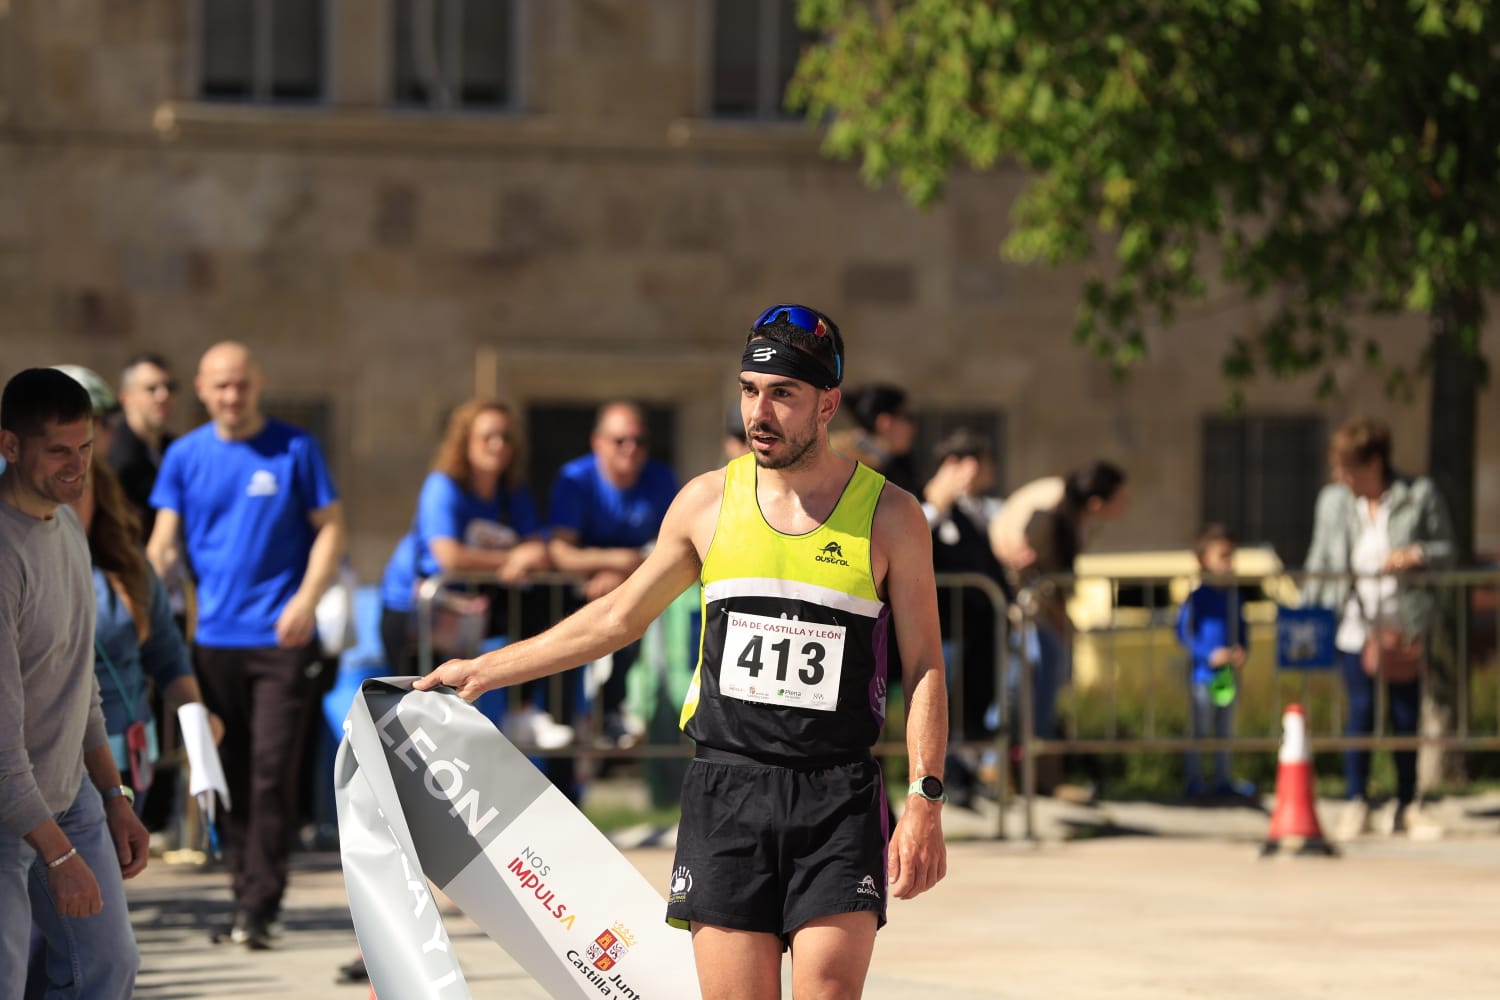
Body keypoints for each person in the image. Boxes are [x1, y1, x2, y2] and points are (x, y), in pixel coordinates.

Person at [416, 302, 948, 999]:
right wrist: (485, 669)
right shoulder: (704, 504)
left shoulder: (892, 516)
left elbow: (927, 664)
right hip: (729, 789)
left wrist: (925, 799)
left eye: (783, 394)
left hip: (838, 793)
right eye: (750, 391)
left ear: (827, 405)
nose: (760, 411)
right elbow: (615, 618)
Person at [146, 342, 346, 949]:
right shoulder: (184, 455)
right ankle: (242, 894)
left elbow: (332, 527)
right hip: (211, 644)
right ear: (203, 392)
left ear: (257, 385)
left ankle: (261, 903)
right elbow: (163, 543)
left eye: (241, 385)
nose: (232, 396)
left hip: (280, 641)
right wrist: (145, 598)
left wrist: (306, 599)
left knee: (271, 772)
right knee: (226, 771)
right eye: (220, 386)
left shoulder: (294, 448)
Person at [1, 368, 148, 999]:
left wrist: (114, 795)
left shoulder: (66, 526)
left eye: (85, 448)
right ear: (9, 446)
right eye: (58, 450)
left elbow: (78, 678)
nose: (76, 467)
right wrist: (61, 859)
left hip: (71, 797)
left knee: (109, 968)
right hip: (8, 812)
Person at [1302, 416, 1453, 841]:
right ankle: (1356, 802)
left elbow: (1447, 549)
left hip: (1404, 621)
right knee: (1361, 712)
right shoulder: (1333, 502)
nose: (1339, 476)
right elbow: (1320, 559)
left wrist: (1416, 553)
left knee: (1405, 715)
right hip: (1355, 622)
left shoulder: (1417, 495)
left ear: (1374, 463)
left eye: (1347, 466)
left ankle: (1407, 804)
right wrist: (1304, 613)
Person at [378, 399, 559, 741]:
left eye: (506, 437)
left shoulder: (512, 493)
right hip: (416, 609)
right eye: (488, 436)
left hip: (469, 609)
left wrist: (528, 554)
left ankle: (524, 712)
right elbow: (448, 556)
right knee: (415, 721)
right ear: (465, 442)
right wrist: (510, 560)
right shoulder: (443, 486)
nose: (498, 445)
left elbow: (538, 549)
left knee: (542, 602)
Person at [546, 401, 679, 745]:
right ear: (598, 442)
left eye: (639, 441)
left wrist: (619, 576)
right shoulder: (575, 478)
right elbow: (560, 552)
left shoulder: (662, 479)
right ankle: (560, 719)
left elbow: (678, 550)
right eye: (620, 441)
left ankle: (613, 712)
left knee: (630, 636)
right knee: (561, 654)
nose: (631, 449)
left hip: (633, 597)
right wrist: (620, 561)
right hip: (575, 597)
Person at [1013, 460, 1130, 798]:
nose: (1126, 506)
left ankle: (1042, 778)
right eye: (1121, 498)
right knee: (1029, 703)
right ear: (1096, 501)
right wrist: (1061, 621)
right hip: (1033, 622)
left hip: (1048, 621)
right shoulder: (1050, 521)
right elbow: (1039, 580)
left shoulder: (1076, 523)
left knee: (1046, 702)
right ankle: (1026, 776)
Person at [921, 428, 1010, 807]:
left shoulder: (972, 511)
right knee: (943, 707)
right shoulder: (921, 503)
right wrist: (937, 505)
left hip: (977, 632)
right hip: (943, 629)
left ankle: (967, 775)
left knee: (972, 705)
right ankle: (947, 780)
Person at [1176, 524, 1255, 799]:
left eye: (1231, 555)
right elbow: (1183, 633)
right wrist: (1207, 655)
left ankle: (1223, 778)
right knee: (1200, 729)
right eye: (1222, 555)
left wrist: (1242, 651)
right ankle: (1195, 780)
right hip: (1202, 676)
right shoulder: (1197, 597)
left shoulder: (1235, 596)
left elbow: (1244, 631)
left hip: (1229, 676)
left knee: (1225, 730)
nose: (1229, 561)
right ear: (1204, 560)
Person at [105, 353, 177, 543]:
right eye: (151, 389)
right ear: (126, 397)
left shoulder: (174, 448)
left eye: (169, 387)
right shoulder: (113, 452)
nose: (163, 396)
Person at [834, 383, 920, 495]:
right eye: (908, 418)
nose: (913, 427)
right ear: (885, 422)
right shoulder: (843, 464)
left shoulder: (898, 463)